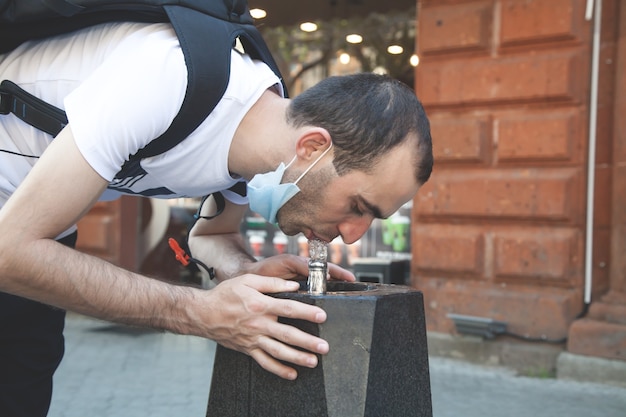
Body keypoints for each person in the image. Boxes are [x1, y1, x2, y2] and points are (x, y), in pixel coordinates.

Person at [0, 21, 433, 416]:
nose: (354, 237)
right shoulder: (166, 78)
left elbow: (211, 234)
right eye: (359, 206)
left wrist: (244, 271)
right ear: (312, 148)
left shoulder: (259, 147)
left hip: (37, 224)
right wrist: (200, 311)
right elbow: (9, 253)